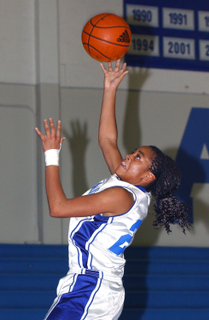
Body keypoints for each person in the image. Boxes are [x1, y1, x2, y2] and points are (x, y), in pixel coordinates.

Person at [35, 59, 190, 320]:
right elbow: (107, 140)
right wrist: (110, 88)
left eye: (138, 157)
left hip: (90, 288)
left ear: (147, 176)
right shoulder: (126, 186)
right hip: (92, 286)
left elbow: (58, 208)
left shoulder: (121, 196)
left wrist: (52, 155)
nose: (128, 156)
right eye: (133, 152)